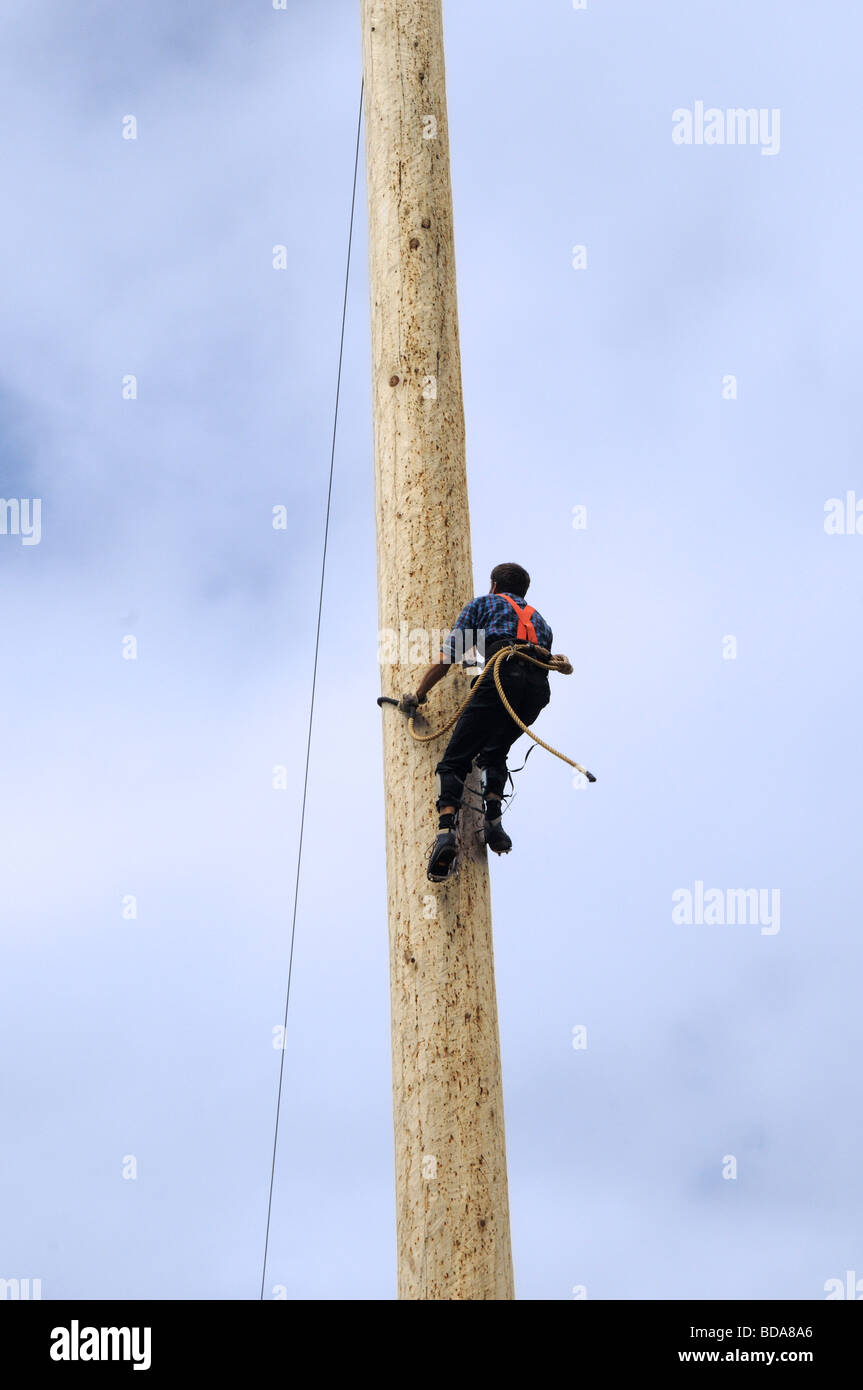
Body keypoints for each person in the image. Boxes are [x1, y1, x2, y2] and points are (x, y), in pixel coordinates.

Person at [400, 562, 554, 882]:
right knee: (495, 752)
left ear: (494, 585)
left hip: (501, 675)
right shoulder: (541, 621)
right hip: (536, 692)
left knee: (454, 761)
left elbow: (449, 656)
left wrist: (419, 693)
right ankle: (494, 823)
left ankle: (446, 835)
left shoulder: (484, 604)